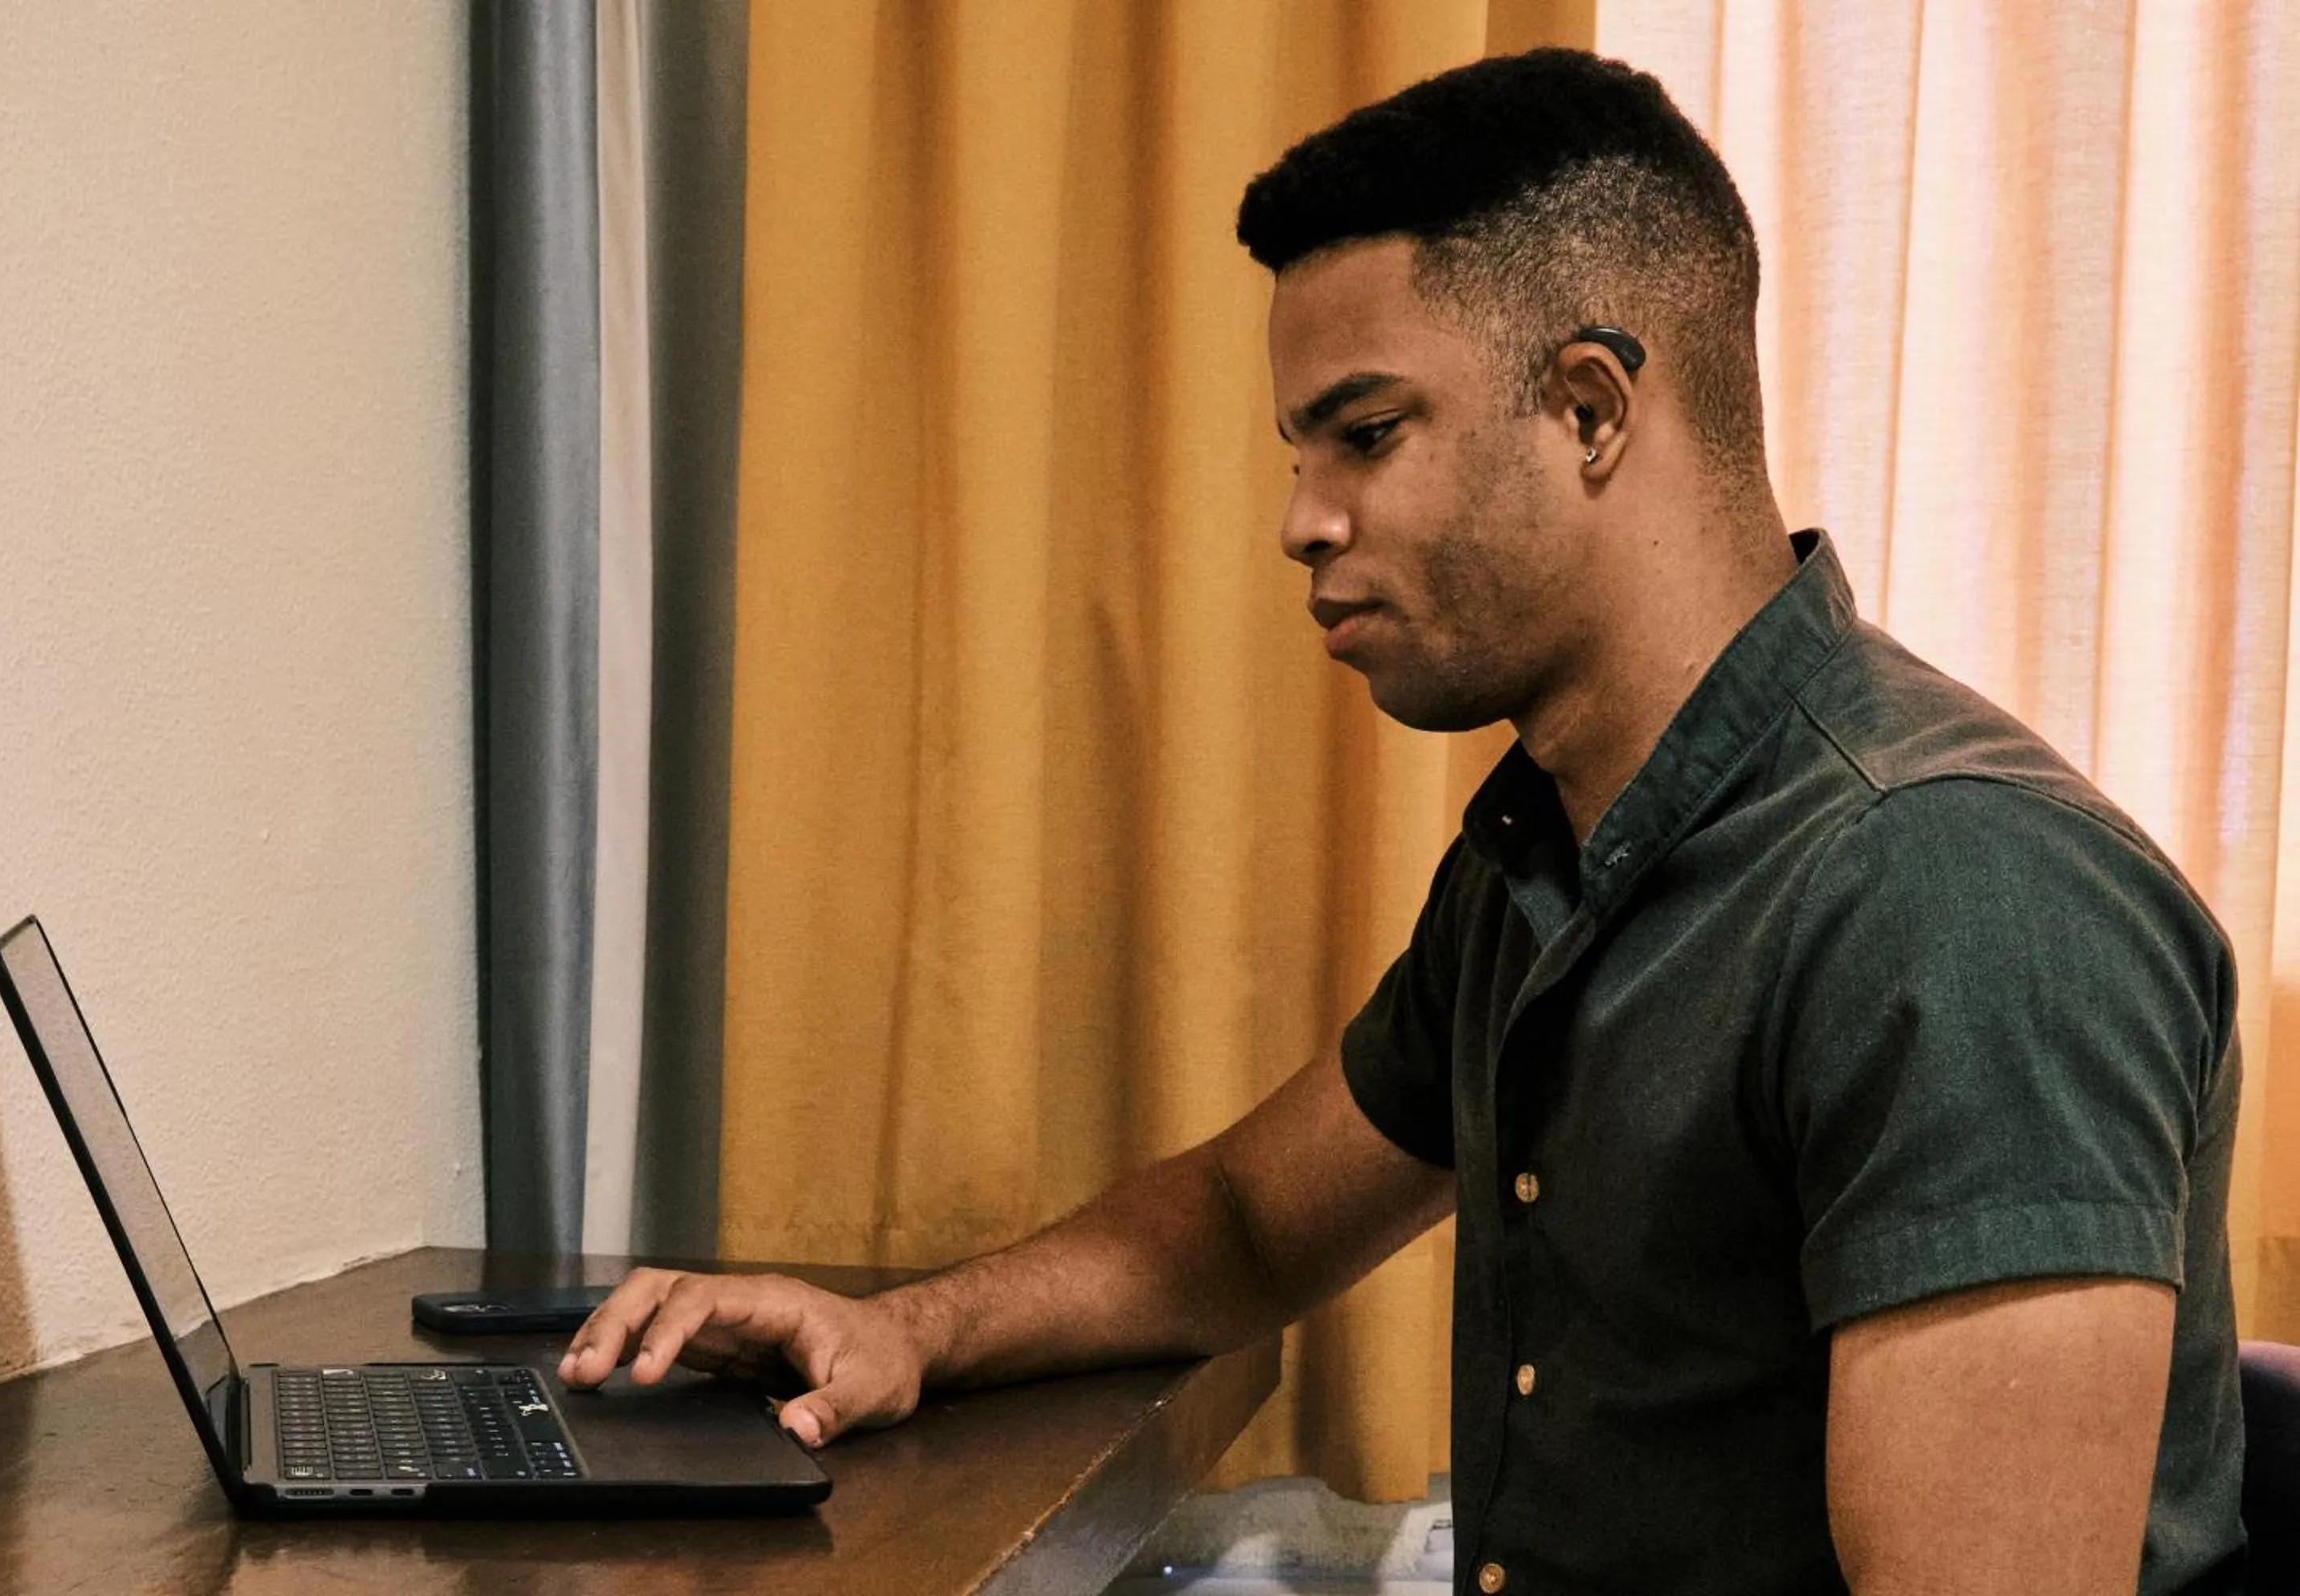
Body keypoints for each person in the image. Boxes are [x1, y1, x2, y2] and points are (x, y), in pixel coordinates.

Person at [560, 49, 2245, 1596]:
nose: (1301, 522)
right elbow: (1243, 1224)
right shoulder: (1549, 853)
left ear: (1592, 409)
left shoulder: (1955, 903)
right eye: (1302, 451)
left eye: (1365, 436)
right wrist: (898, 1330)